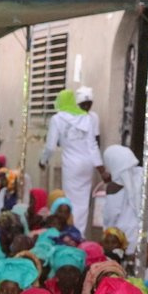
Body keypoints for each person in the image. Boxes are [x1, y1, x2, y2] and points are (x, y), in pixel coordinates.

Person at [39, 87, 102, 217]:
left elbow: (50, 146)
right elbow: (93, 145)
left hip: (72, 164)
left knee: (71, 201)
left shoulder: (57, 119)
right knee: (83, 202)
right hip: (88, 164)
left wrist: (43, 160)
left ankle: (73, 231)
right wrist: (100, 167)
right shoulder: (86, 118)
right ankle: (80, 234)